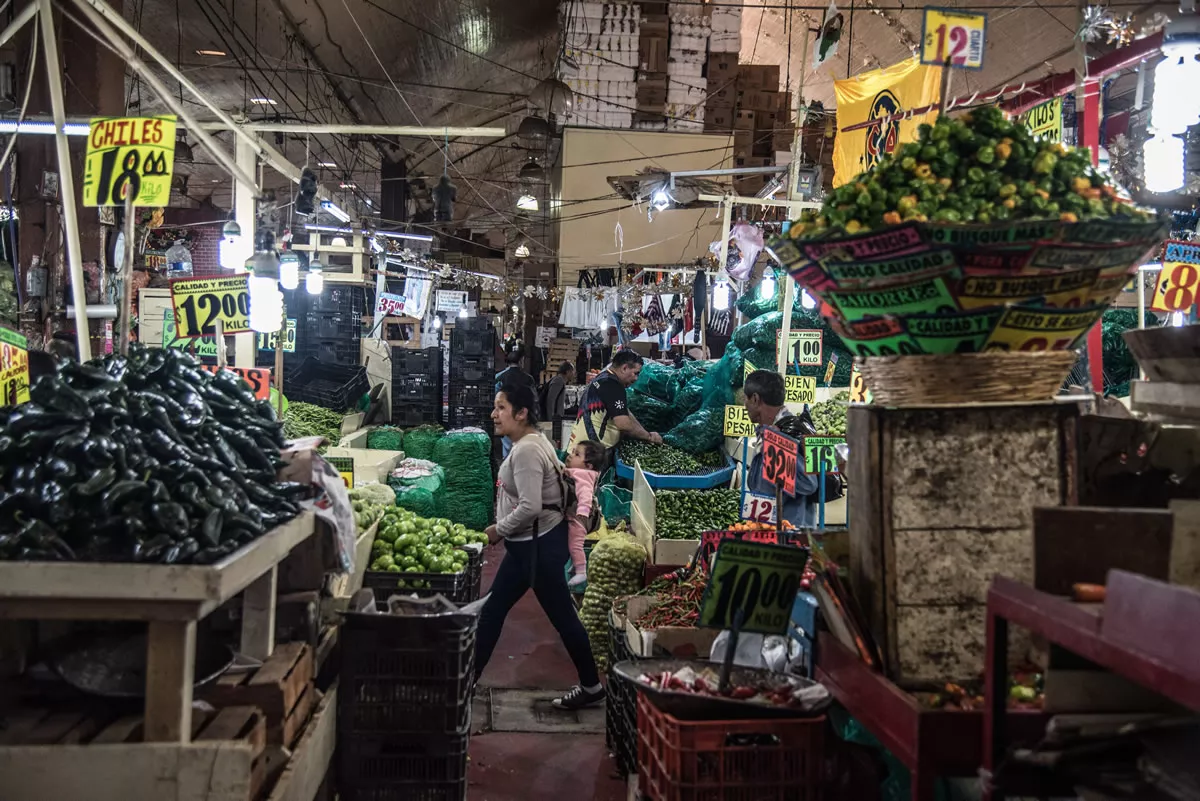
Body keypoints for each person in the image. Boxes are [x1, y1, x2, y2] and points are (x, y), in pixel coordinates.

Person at [478, 384, 605, 710]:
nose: (494, 414)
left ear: (521, 413)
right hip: (530, 548)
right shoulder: (534, 443)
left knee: (563, 618)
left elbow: (531, 506)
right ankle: (464, 682)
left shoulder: (528, 450)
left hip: (538, 549)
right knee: (492, 611)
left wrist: (497, 530)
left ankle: (591, 685)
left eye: (501, 407)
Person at [742, 370, 821, 528]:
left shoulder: (787, 433)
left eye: (746, 399)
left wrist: (777, 443)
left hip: (790, 535)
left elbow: (809, 483)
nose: (745, 406)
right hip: (769, 530)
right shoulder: (768, 432)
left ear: (756, 399)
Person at [566, 349, 662, 453]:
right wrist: (649, 437)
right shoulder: (613, 385)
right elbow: (624, 424)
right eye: (636, 373)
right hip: (590, 454)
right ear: (624, 368)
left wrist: (645, 433)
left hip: (580, 448)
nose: (636, 378)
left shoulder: (603, 378)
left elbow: (625, 412)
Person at [564, 439, 605, 587]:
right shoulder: (580, 472)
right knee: (571, 543)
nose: (570, 455)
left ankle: (581, 571)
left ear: (588, 465)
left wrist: (583, 511)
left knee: (575, 543)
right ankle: (576, 564)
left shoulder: (583, 476)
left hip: (579, 518)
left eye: (576, 455)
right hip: (576, 514)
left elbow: (586, 494)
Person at [495, 347, 536, 459]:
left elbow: (495, 397)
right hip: (523, 415)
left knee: (507, 445)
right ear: (521, 361)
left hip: (506, 415)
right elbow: (534, 399)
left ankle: (507, 461)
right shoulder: (528, 378)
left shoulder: (499, 377)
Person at [541, 361, 575, 445]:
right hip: (553, 419)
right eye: (573, 371)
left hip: (555, 419)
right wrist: (550, 421)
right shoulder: (558, 381)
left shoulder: (559, 380)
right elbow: (550, 401)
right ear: (567, 372)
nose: (574, 374)